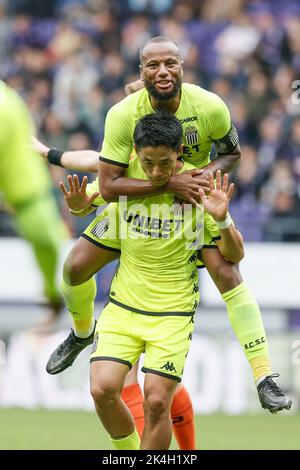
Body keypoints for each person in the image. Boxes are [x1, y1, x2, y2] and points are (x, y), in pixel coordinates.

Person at [42, 36, 292, 414]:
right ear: (140, 72)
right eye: (153, 65)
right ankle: (81, 334)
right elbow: (109, 181)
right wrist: (165, 182)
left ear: (182, 67)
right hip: (138, 201)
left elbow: (232, 154)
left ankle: (263, 376)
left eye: (170, 64)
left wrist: (201, 179)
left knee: (228, 274)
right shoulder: (123, 113)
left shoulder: (209, 107)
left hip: (189, 202)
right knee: (75, 267)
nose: (162, 72)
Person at [88, 111, 244, 449]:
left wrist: (224, 219)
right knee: (102, 389)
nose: (156, 172)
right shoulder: (125, 188)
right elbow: (93, 190)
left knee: (157, 401)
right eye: (148, 163)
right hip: (123, 308)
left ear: (179, 154)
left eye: (164, 164)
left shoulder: (198, 190)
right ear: (136, 152)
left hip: (172, 315)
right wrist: (77, 205)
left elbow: (235, 255)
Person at [0, 81, 66, 321]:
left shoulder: (7, 103)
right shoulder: (9, 101)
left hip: (25, 193)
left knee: (47, 242)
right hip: (25, 193)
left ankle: (53, 297)